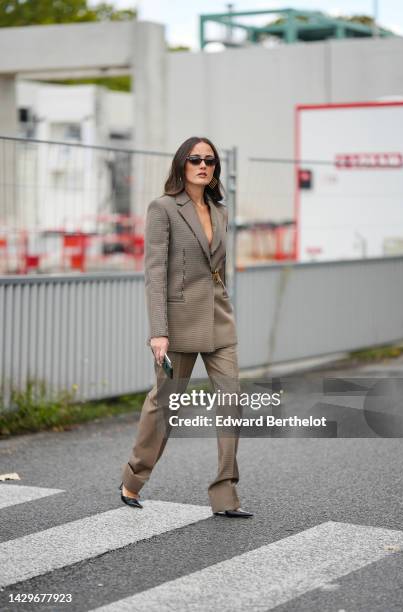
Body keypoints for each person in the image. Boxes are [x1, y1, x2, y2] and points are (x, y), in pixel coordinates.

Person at [119, 136, 253, 518]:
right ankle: (134, 477)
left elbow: (219, 268)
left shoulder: (220, 211)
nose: (203, 164)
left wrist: (224, 298)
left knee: (231, 401)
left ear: (215, 169)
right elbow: (155, 272)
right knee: (164, 403)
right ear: (182, 165)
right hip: (177, 324)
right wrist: (158, 331)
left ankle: (225, 494)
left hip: (219, 319)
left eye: (209, 160)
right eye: (195, 158)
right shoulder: (163, 208)